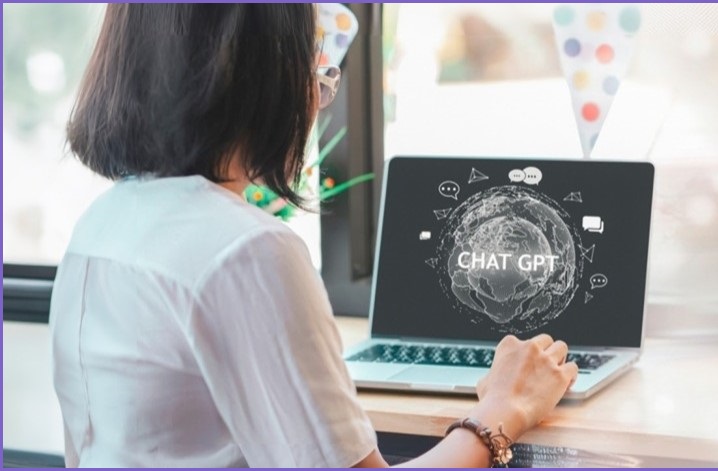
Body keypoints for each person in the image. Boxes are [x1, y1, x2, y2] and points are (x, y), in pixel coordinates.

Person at [51, 4, 578, 467]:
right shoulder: (246, 250)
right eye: (314, 68)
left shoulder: (101, 224)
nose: (315, 96)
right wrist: (503, 410)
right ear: (263, 74)